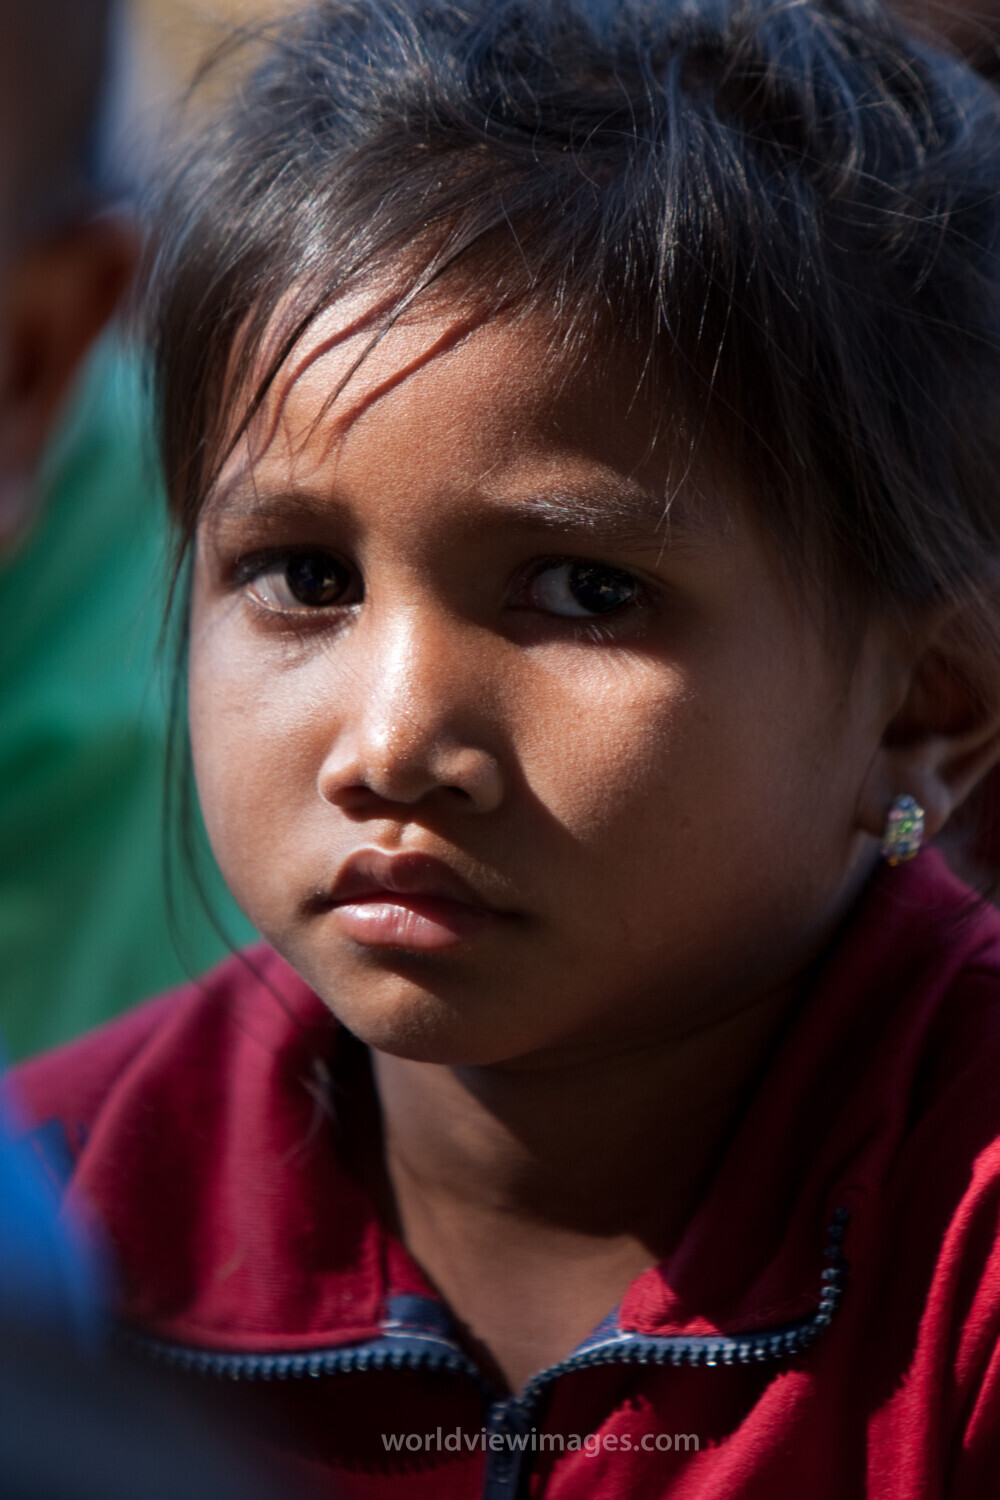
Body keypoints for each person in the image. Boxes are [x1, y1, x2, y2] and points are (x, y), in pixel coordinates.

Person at [13, 0, 1000, 1493]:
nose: (398, 744)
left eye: (588, 592)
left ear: (925, 706)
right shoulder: (67, 1217)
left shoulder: (967, 1249)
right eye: (301, 576)